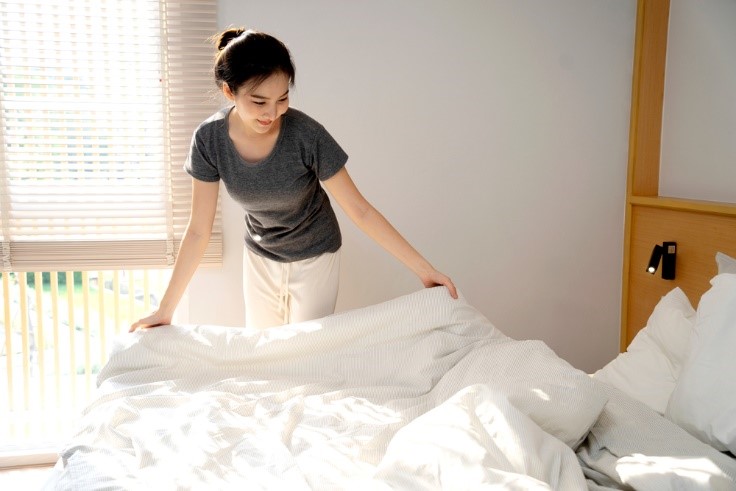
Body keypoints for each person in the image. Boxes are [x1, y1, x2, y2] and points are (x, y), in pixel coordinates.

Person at [130, 28, 456, 332]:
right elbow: (199, 229)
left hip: (316, 253)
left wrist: (424, 270)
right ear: (229, 91)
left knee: (305, 353)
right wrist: (165, 310)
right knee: (265, 353)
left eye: (282, 98)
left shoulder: (306, 135)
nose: (272, 113)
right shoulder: (209, 139)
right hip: (260, 256)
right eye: (259, 102)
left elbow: (361, 210)